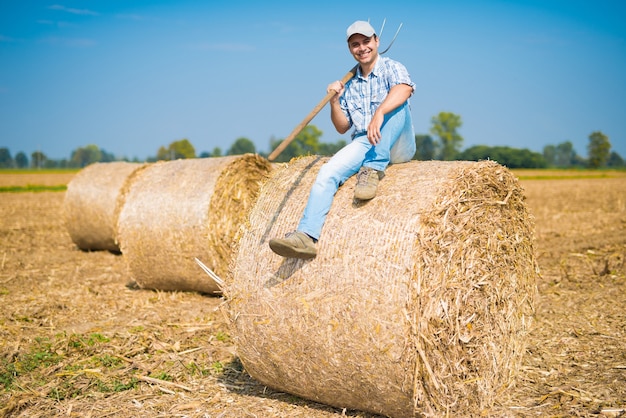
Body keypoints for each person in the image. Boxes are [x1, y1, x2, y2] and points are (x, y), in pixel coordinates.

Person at [269, 20, 416, 259]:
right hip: (364, 142)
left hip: (396, 141)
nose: (362, 48)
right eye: (355, 44)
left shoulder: (392, 68)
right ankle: (306, 236)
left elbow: (404, 90)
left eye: (366, 41)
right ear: (350, 49)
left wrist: (379, 112)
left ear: (376, 41)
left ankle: (373, 168)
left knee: (398, 105)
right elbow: (341, 127)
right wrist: (335, 101)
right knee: (327, 172)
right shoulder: (349, 85)